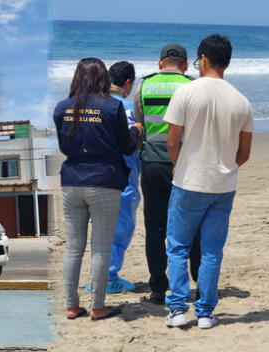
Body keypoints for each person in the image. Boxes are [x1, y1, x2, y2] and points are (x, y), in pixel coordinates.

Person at [163, 34, 253, 329]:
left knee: (177, 247)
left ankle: (177, 309)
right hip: (223, 185)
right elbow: (244, 153)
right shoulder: (241, 101)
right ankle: (205, 312)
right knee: (212, 250)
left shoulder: (186, 93)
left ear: (202, 59)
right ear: (227, 61)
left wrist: (179, 165)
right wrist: (225, 167)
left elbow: (172, 141)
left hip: (189, 180)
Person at [53, 58, 143, 320]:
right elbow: (126, 146)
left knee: (73, 247)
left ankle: (71, 305)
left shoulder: (62, 107)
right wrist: (136, 131)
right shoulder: (111, 106)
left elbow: (63, 145)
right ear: (103, 77)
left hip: (72, 180)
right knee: (101, 247)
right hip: (104, 179)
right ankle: (98, 305)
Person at [134, 43, 201, 304]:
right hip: (185, 164)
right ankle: (198, 279)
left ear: (160, 63)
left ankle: (158, 288)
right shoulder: (192, 86)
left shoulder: (143, 86)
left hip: (152, 164)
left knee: (155, 227)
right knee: (193, 226)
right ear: (185, 64)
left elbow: (140, 129)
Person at [83, 61, 140, 294]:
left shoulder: (93, 108)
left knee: (99, 228)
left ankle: (100, 275)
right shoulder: (130, 110)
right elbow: (137, 144)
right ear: (127, 83)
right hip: (123, 179)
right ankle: (108, 277)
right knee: (120, 228)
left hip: (94, 177)